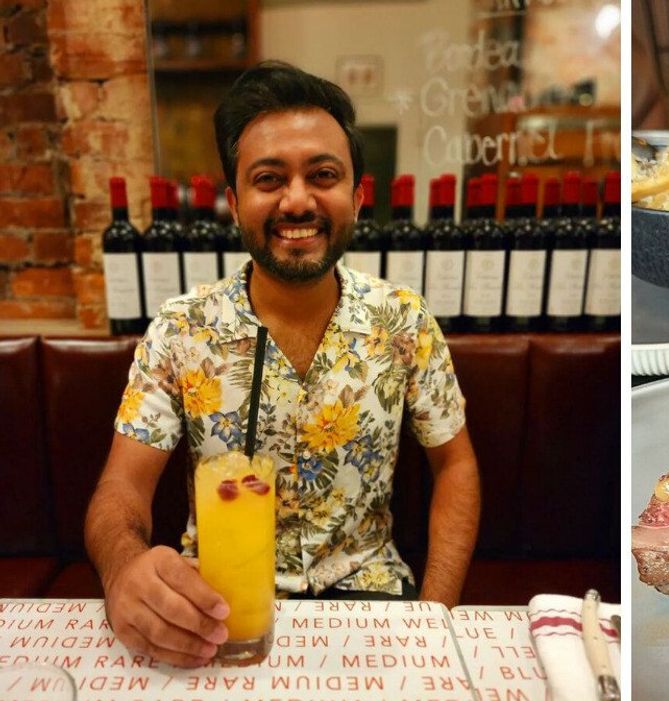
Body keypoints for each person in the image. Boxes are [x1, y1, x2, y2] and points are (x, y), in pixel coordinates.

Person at [84, 61, 481, 668]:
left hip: (373, 600)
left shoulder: (403, 320)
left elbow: (455, 466)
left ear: (358, 195)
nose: (297, 200)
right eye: (269, 179)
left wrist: (436, 614)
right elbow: (121, 490)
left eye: (322, 175)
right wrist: (123, 568)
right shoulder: (181, 329)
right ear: (235, 201)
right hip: (214, 609)